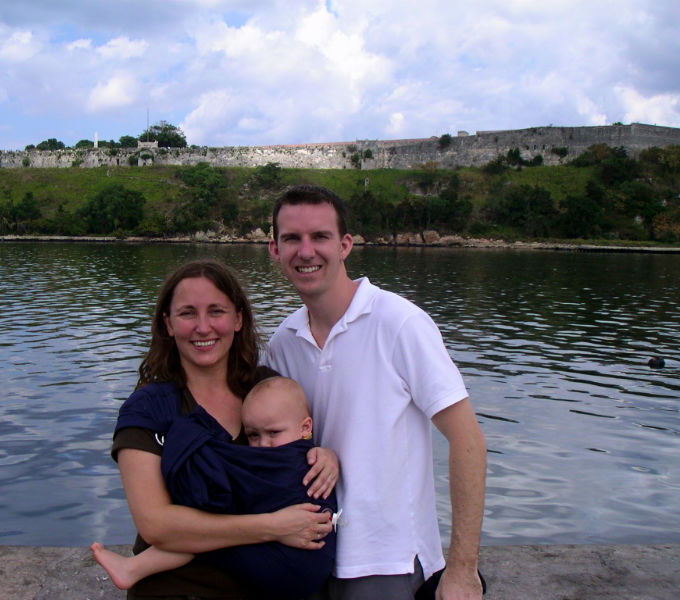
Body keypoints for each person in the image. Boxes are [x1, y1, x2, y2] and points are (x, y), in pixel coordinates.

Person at [266, 185, 487, 600]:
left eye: (321, 237)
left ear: (345, 245)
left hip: (388, 559)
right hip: (310, 550)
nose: (306, 250)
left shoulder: (400, 323)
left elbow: (468, 439)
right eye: (292, 238)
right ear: (274, 249)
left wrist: (462, 569)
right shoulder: (283, 342)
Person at [104, 259, 337, 600]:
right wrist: (273, 526)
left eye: (216, 311)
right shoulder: (149, 407)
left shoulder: (268, 391)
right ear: (168, 324)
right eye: (187, 313)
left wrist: (326, 455)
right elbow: (157, 525)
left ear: (238, 319)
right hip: (180, 589)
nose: (203, 327)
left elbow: (296, 458)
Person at [91, 376, 337, 596]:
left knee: (206, 534)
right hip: (309, 571)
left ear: (306, 427)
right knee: (211, 533)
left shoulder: (290, 462)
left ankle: (133, 568)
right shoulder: (302, 454)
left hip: (289, 568)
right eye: (252, 435)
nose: (263, 444)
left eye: (273, 433)